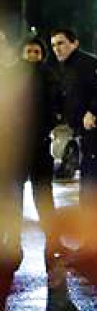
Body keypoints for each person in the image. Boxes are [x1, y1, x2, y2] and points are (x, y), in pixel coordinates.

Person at [50, 28, 97, 267]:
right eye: (53, 45)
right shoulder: (66, 68)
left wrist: (92, 112)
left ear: (75, 42)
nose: (57, 49)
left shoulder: (88, 64)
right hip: (87, 138)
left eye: (61, 43)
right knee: (91, 192)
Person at [7, 38, 60, 273]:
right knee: (12, 196)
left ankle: (52, 241)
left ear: (41, 55)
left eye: (36, 51)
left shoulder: (50, 76)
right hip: (17, 146)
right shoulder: (11, 75)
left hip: (39, 145)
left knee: (43, 195)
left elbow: (56, 106)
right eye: (28, 51)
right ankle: (13, 242)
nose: (31, 55)